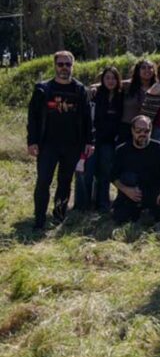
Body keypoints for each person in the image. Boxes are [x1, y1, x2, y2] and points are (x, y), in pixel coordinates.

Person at [27, 51, 93, 229]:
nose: (64, 68)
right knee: (43, 181)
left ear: (73, 66)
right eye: (61, 64)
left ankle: (59, 217)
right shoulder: (43, 89)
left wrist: (89, 141)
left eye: (68, 64)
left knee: (65, 182)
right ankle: (39, 220)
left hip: (72, 145)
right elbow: (33, 118)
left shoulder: (79, 90)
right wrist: (32, 141)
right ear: (55, 66)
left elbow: (87, 118)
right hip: (47, 145)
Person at [75, 66, 123, 212]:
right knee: (86, 173)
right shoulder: (94, 94)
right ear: (102, 79)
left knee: (105, 174)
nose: (110, 81)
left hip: (110, 142)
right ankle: (82, 206)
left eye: (113, 78)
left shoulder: (121, 96)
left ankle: (102, 204)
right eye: (107, 78)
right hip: (92, 141)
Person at [110, 115, 160, 225]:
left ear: (151, 131)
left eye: (146, 131)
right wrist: (126, 190)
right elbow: (113, 176)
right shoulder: (122, 150)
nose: (142, 134)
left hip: (153, 192)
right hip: (130, 193)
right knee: (120, 218)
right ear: (132, 131)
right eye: (138, 130)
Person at [120, 59, 155, 144]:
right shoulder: (127, 85)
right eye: (143, 68)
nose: (147, 70)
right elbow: (110, 83)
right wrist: (94, 88)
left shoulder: (157, 87)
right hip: (127, 128)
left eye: (150, 67)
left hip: (147, 130)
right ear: (137, 71)